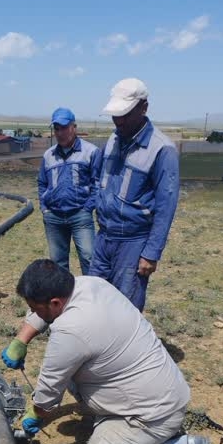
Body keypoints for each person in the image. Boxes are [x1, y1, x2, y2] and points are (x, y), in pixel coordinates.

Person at [1, 260, 210, 444]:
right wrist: (21, 339)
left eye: (35, 310)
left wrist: (37, 412)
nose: (32, 314)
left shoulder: (70, 331)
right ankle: (120, 427)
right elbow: (48, 309)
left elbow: (48, 393)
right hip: (162, 390)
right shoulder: (90, 284)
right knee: (73, 372)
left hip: (153, 414)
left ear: (55, 302)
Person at [90, 78, 179, 311]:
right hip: (104, 237)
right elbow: (99, 179)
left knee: (125, 309)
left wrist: (151, 253)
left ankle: (125, 348)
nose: (118, 120)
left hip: (133, 242)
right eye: (115, 114)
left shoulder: (162, 149)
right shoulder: (112, 140)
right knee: (95, 300)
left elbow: (166, 207)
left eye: (125, 114)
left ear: (144, 107)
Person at [38, 108, 99, 275]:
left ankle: (92, 296)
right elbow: (42, 183)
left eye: (64, 127)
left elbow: (98, 184)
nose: (60, 133)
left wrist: (88, 208)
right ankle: (64, 297)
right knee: (58, 263)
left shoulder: (90, 152)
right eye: (56, 128)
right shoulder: (48, 155)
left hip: (80, 215)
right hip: (54, 217)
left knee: (89, 258)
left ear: (74, 127)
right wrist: (45, 208)